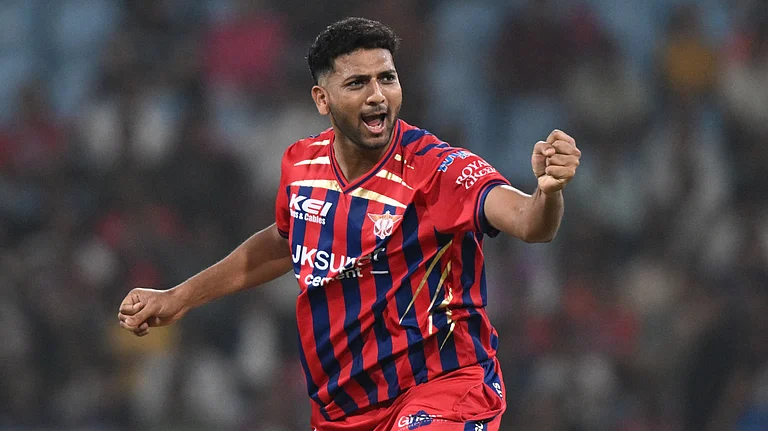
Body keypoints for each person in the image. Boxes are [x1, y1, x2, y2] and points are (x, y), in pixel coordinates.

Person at [117, 17, 581, 430]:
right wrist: (178, 297)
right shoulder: (302, 165)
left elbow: (529, 222)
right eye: (358, 82)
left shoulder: (438, 169)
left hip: (445, 390)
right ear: (323, 99)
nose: (378, 94)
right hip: (345, 409)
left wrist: (549, 191)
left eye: (387, 78)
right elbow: (283, 243)